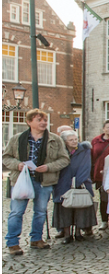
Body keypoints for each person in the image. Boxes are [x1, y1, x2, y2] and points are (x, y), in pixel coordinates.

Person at [3, 109, 69, 254]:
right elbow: (6, 157)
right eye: (39, 120)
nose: (43, 123)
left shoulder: (54, 139)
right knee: (16, 212)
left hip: (44, 181)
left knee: (40, 212)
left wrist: (48, 167)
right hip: (21, 181)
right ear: (29, 122)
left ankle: (36, 239)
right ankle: (13, 243)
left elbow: (64, 159)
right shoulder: (17, 139)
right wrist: (18, 165)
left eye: (45, 120)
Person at [52, 130, 97, 244]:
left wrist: (77, 182)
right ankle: (67, 234)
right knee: (64, 210)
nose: (74, 142)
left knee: (80, 208)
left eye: (75, 139)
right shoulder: (60, 151)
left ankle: (78, 233)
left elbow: (85, 167)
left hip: (81, 183)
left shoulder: (84, 150)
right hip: (62, 184)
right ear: (65, 141)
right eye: (71, 140)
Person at [91, 120, 109, 230]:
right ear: (103, 129)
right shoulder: (96, 141)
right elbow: (92, 156)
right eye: (108, 127)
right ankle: (104, 221)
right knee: (104, 198)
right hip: (100, 173)